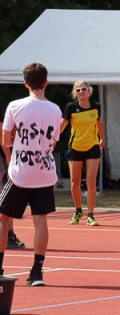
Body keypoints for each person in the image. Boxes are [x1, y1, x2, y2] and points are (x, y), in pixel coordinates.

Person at [0, 63, 62, 286]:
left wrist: (18, 136)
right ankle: (37, 271)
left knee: (3, 217)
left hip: (21, 172)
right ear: (46, 82)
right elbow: (53, 142)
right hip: (44, 171)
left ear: (25, 83)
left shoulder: (15, 106)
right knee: (40, 219)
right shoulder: (55, 110)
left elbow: (5, 140)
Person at [59, 80, 105, 226]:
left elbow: (99, 123)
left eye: (83, 89)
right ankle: (78, 210)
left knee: (91, 182)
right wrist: (50, 138)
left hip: (92, 147)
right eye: (78, 90)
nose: (81, 92)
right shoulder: (71, 107)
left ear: (89, 90)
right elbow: (61, 126)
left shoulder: (96, 107)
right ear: (75, 93)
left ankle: (90, 214)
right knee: (75, 182)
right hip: (75, 147)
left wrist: (102, 139)